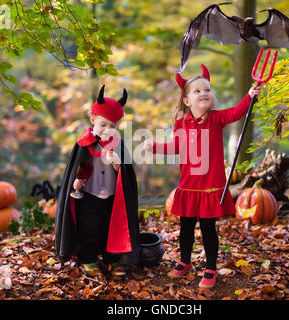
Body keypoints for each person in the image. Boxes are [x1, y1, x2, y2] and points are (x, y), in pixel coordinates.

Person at [144, 65, 262, 288]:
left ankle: (210, 267)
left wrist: (249, 96)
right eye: (197, 91)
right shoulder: (181, 123)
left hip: (209, 185)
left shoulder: (216, 118)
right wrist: (156, 147)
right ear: (187, 100)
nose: (204, 93)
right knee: (186, 226)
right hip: (189, 185)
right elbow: (176, 146)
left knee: (208, 228)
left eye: (207, 89)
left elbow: (236, 112)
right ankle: (185, 261)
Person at [55, 85, 140, 278]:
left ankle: (115, 260)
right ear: (93, 120)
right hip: (88, 196)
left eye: (113, 126)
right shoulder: (82, 144)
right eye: (103, 125)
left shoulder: (119, 144)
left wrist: (116, 163)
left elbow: (125, 174)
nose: (107, 130)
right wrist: (75, 182)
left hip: (112, 196)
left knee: (112, 229)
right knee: (89, 229)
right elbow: (75, 171)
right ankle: (89, 259)